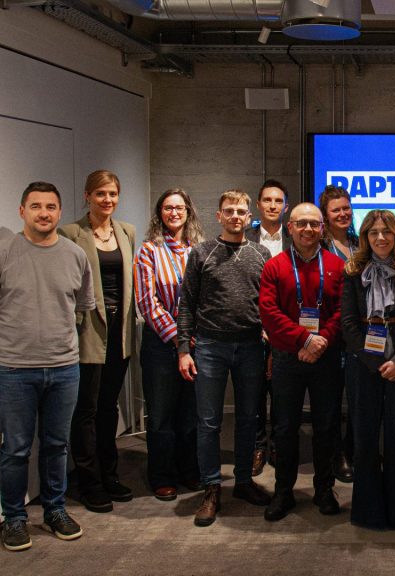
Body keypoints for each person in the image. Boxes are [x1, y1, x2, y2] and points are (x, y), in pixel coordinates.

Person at [0, 181, 95, 551]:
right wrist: (3, 346)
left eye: (51, 207)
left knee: (56, 445)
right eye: (36, 206)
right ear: (22, 211)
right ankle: (14, 518)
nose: (44, 213)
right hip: (14, 372)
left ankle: (55, 510)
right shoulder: (0, 254)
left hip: (64, 368)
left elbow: (81, 306)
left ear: (59, 212)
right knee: (16, 449)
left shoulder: (75, 255)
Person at [177, 190, 272, 527]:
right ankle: (211, 488)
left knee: (248, 418)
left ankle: (243, 481)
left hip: (250, 347)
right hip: (210, 347)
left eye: (241, 211)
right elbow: (186, 303)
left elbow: (268, 303)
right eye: (229, 211)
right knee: (208, 422)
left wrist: (269, 337)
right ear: (218, 216)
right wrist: (183, 350)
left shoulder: (261, 254)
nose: (235, 216)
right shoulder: (202, 253)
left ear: (249, 217)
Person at [259, 203, 346, 521]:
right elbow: (268, 312)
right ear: (291, 227)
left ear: (323, 228)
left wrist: (320, 341)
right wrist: (304, 340)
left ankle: (324, 489)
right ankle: (283, 492)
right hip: (288, 357)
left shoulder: (337, 265)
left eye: (314, 224)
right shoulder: (275, 266)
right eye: (301, 223)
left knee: (327, 426)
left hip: (326, 358)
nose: (308, 229)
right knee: (284, 428)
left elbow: (343, 311)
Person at [341, 210, 395, 530]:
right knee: (364, 440)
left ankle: (394, 512)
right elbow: (348, 323)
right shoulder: (353, 270)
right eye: (373, 232)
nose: (380, 237)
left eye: (386, 231)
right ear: (365, 236)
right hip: (364, 364)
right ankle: (368, 512)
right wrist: (373, 362)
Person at [59, 170, 137, 513]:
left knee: (109, 406)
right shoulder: (71, 233)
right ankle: (89, 482)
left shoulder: (126, 231)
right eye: (101, 194)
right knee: (86, 410)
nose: (108, 200)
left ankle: (110, 475)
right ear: (87, 196)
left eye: (113, 194)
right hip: (89, 329)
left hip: (120, 331)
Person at [134, 188, 205, 502]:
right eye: (167, 208)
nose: (174, 213)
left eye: (179, 208)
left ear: (188, 212)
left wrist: (192, 337)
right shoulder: (148, 251)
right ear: (159, 213)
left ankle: (189, 470)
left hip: (195, 340)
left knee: (191, 413)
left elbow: (207, 296)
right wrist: (179, 340)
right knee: (162, 414)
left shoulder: (199, 250)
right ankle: (162, 476)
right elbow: (148, 303)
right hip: (162, 344)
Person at [245, 179, 291, 478]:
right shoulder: (245, 237)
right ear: (259, 205)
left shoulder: (295, 237)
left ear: (285, 207)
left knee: (283, 393)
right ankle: (258, 446)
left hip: (287, 329)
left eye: (278, 201)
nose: (273, 205)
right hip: (252, 327)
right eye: (267, 200)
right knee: (255, 392)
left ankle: (279, 446)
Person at [319, 185, 359, 484]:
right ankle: (337, 455)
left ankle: (354, 449)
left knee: (359, 399)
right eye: (336, 210)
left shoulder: (362, 243)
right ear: (326, 215)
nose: (343, 214)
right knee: (331, 401)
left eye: (346, 208)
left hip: (359, 334)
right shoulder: (319, 247)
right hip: (332, 334)